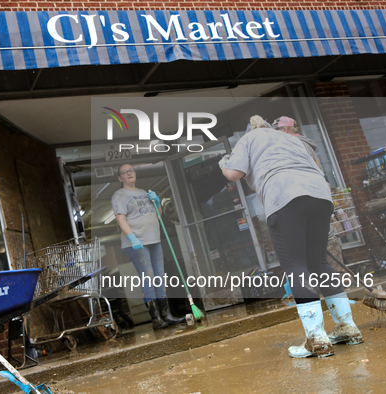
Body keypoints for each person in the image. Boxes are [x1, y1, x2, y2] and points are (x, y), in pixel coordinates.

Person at [219, 115, 363, 358]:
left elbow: (233, 174)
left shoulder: (250, 138)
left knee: (296, 265)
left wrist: (224, 162)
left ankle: (316, 338)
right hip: (320, 197)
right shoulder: (291, 139)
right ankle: (347, 327)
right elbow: (316, 168)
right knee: (318, 262)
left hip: (285, 195)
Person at [111, 164, 185, 330]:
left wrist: (157, 201)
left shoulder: (144, 193)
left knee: (159, 277)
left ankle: (166, 314)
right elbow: (120, 219)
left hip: (154, 240)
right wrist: (132, 237)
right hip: (137, 243)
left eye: (131, 170)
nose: (129, 173)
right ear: (119, 178)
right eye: (124, 172)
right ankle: (156, 318)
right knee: (148, 277)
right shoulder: (119, 195)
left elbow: (157, 215)